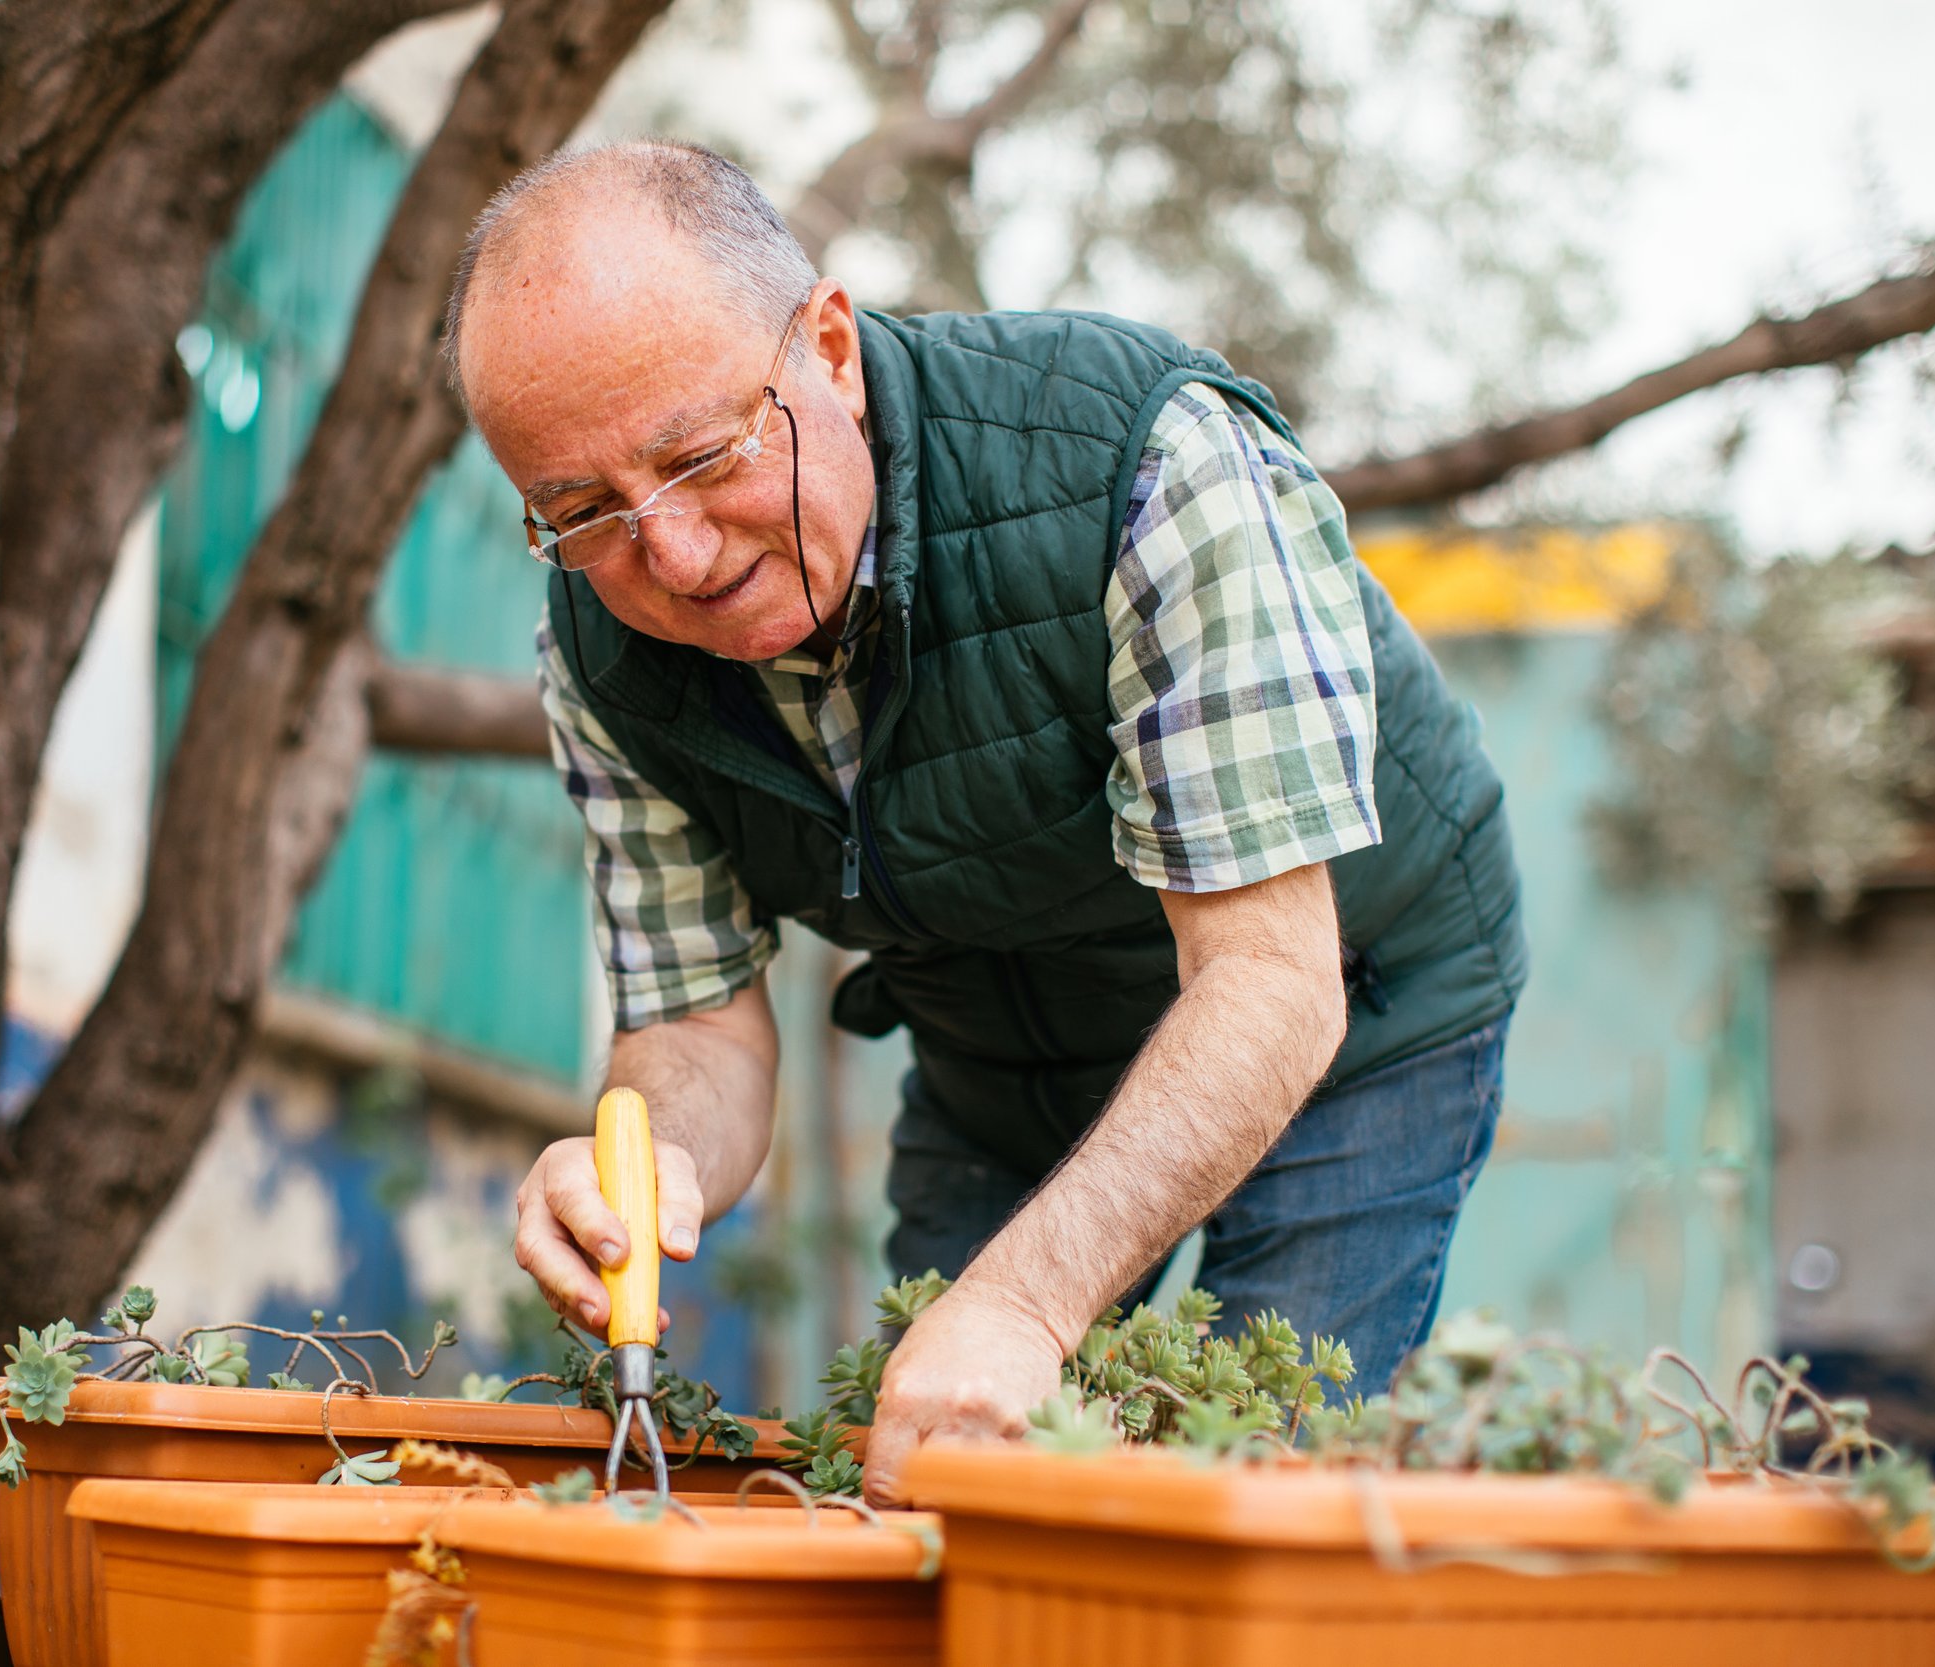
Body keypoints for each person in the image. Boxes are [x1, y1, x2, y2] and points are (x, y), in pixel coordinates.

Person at [443, 141, 1525, 1505]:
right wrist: (649, 1162)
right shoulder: (600, 644)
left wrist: (1024, 1305)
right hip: (1002, 1048)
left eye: (703, 457)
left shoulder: (1148, 465)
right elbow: (693, 1022)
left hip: (1344, 1007)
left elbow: (1268, 982)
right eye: (584, 513)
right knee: (925, 1486)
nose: (677, 560)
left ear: (828, 349)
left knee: (1236, 1496)